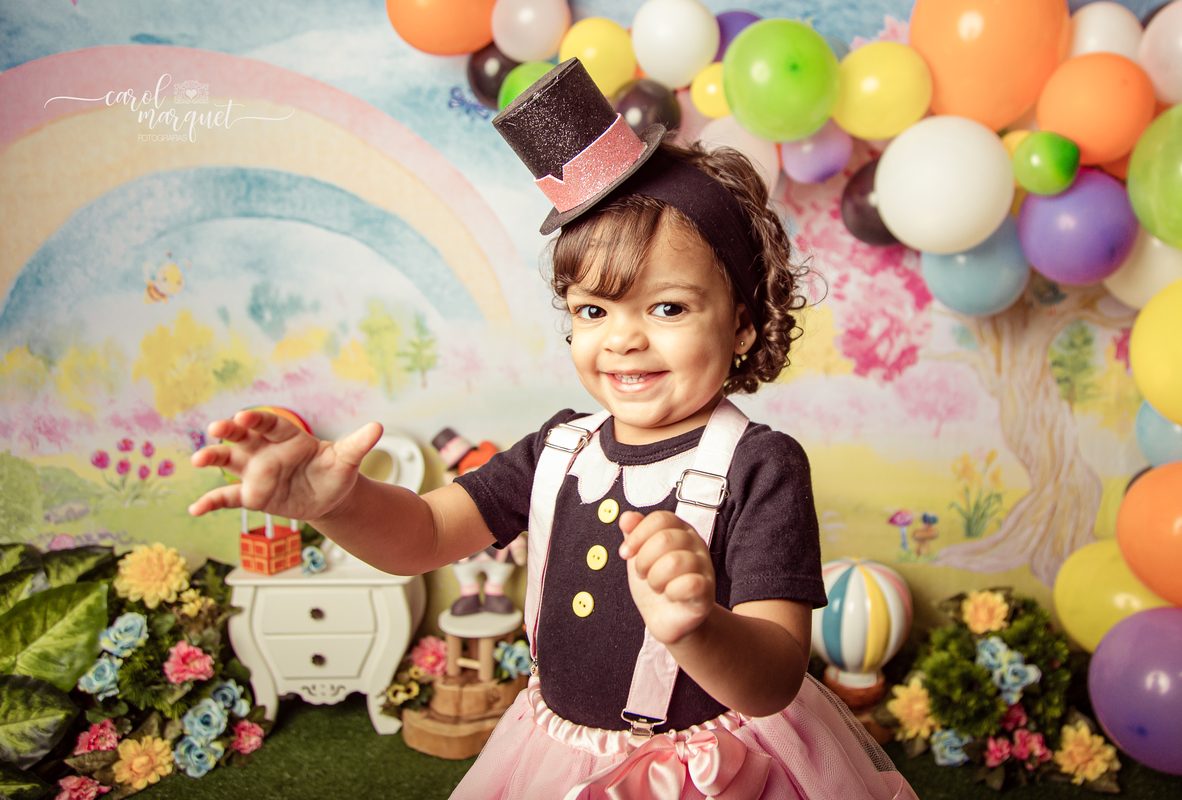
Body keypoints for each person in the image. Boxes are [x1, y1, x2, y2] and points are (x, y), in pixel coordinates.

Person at [189, 59, 915, 800]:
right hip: (558, 762)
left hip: (709, 774)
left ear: (742, 325)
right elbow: (422, 538)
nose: (623, 340)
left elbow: (772, 678)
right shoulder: (558, 450)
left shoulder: (761, 466)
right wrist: (334, 505)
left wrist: (697, 627)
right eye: (593, 311)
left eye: (666, 309)